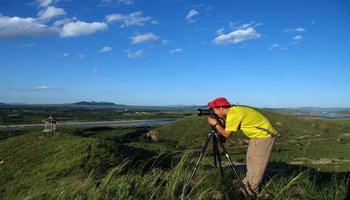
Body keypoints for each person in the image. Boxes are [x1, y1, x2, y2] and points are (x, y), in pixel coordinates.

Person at [207, 97, 277, 196]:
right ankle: (246, 184)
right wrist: (221, 121)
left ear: (221, 108)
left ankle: (251, 191)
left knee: (257, 165)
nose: (213, 112)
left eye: (214, 109)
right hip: (257, 136)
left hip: (264, 137)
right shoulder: (233, 110)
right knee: (251, 160)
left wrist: (215, 124)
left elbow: (226, 134)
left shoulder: (234, 114)